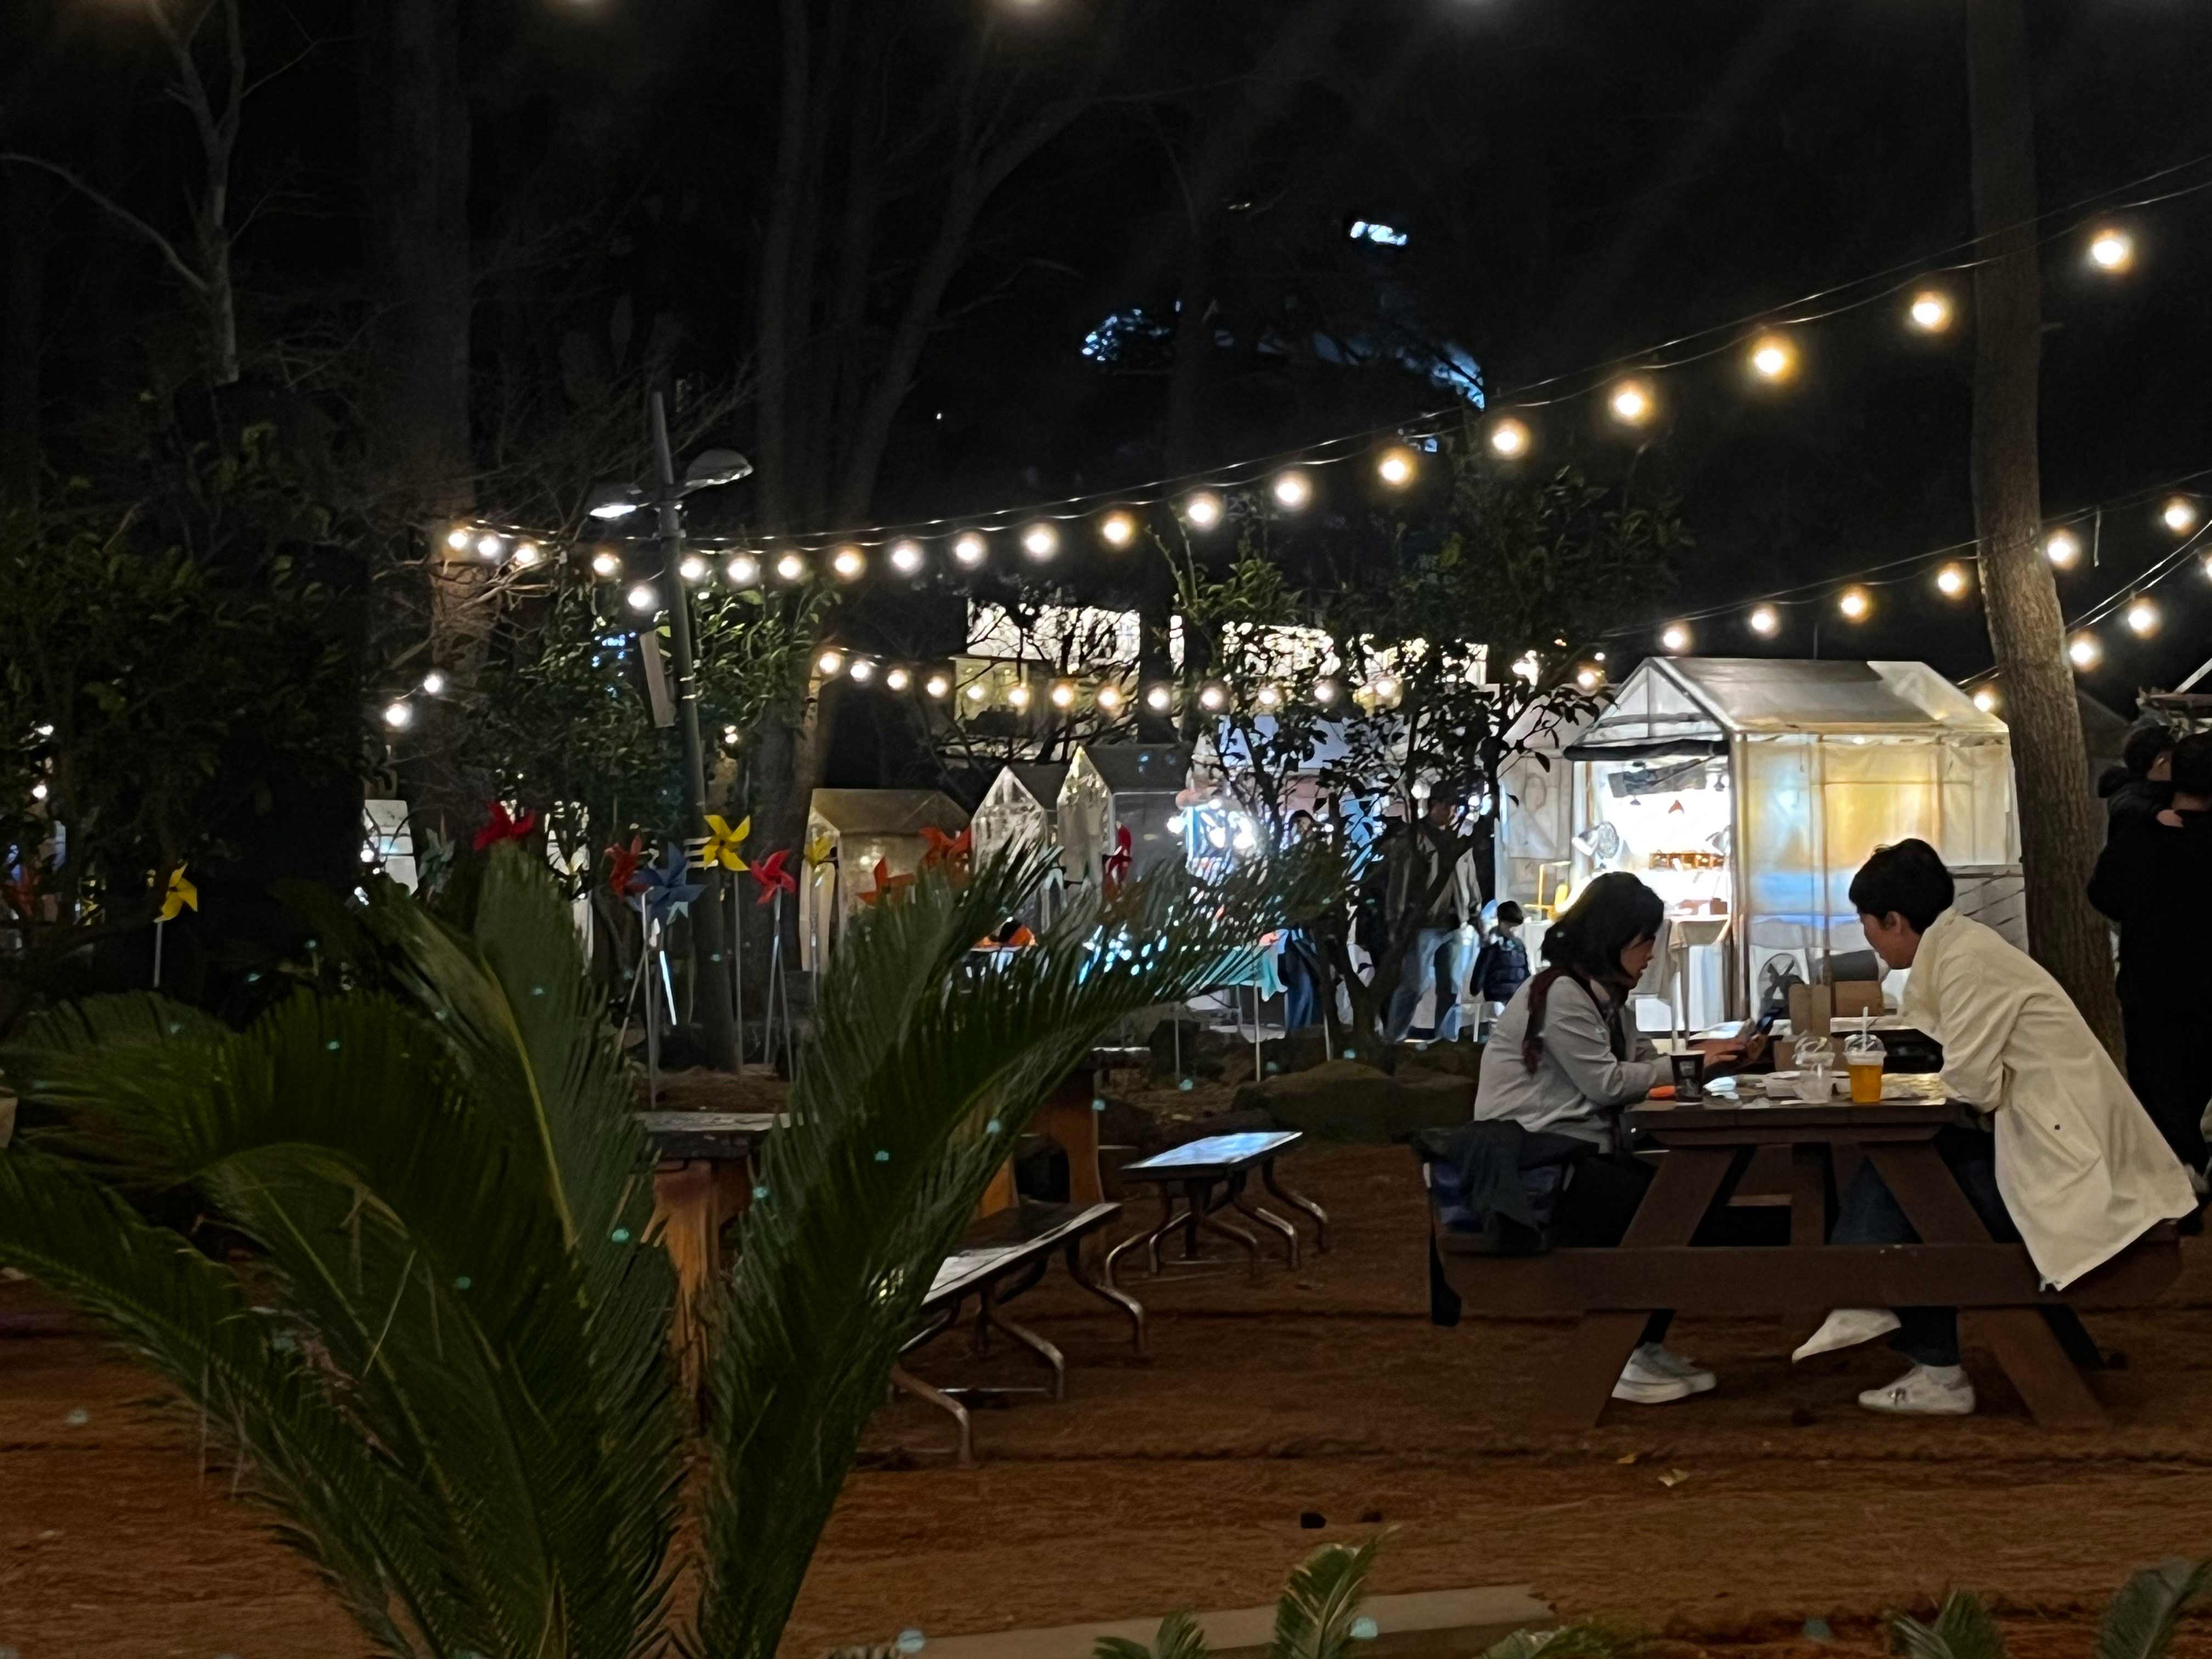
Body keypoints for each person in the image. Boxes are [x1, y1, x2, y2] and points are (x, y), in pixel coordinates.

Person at [1795, 839, 2197, 1417]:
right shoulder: (1965, 950)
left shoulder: (1969, 963)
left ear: (1895, 921)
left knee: (1920, 1182)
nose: (1869, 940)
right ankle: (1874, 1304)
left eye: (1867, 924)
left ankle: (1882, 1311)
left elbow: (1972, 1086)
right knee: (1917, 1173)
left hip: (2078, 1174)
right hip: (2067, 1155)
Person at [1472, 872, 1743, 1404]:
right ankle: (1628, 1351)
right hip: (1537, 1169)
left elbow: (1641, 1063)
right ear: (1612, 938)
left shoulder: (1601, 998)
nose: (1650, 955)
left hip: (1568, 1157)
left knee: (1679, 1202)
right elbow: (1608, 1083)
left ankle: (1642, 1344)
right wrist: (1693, 1064)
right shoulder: (1562, 995)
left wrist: (1699, 1059)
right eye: (1645, 942)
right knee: (1666, 1210)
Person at [2089, 730, 2212, 1170]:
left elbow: (2104, 895)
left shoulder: (2139, 835)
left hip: (2150, 987)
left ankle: (2178, 1176)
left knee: (2158, 1090)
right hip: (2206, 989)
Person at [1384, 799, 1481, 1043]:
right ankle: (1394, 1036)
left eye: (1454, 807)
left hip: (1455, 921)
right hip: (1423, 923)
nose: (1451, 811)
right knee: (1414, 984)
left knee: (1451, 986)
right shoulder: (1414, 839)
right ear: (1432, 806)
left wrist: (1473, 909)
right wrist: (1396, 919)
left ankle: (1446, 1038)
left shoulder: (1460, 837)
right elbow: (1399, 881)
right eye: (1446, 805)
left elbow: (1469, 875)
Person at [2098, 723, 2176, 836]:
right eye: (2174, 759)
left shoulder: (2157, 787)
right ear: (2161, 761)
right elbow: (2126, 805)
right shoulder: (2129, 794)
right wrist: (2158, 813)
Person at [1470, 900, 1532, 1038]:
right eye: (1509, 926)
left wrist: (1528, 989)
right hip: (1496, 996)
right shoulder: (1492, 945)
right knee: (1497, 1027)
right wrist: (1476, 987)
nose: (1512, 930)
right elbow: (1482, 967)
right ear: (1500, 922)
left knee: (1514, 1027)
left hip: (1515, 996)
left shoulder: (1519, 945)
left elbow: (1525, 970)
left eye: (1515, 927)